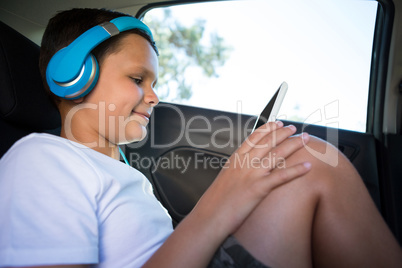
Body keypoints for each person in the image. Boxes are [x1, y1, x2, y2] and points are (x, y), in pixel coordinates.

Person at [0, 8, 401, 268]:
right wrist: (220, 200)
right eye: (138, 79)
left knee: (299, 160)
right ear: (73, 75)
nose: (154, 96)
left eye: (154, 83)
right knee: (308, 162)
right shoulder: (40, 159)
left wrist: (240, 196)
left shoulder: (125, 173)